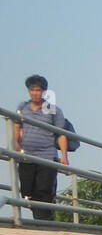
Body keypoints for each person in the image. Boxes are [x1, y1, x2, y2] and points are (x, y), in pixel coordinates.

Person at [13, 75, 69, 221]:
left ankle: (44, 221)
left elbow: (61, 134)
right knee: (27, 190)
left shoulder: (52, 109)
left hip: (46, 155)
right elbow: (17, 124)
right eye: (32, 90)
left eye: (38, 90)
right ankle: (43, 216)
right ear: (28, 91)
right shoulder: (22, 107)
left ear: (43, 91)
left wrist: (64, 156)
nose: (35, 93)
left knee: (43, 190)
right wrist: (16, 143)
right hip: (27, 155)